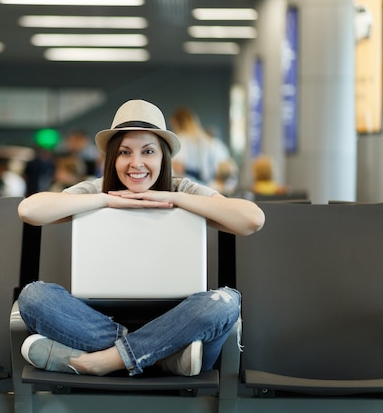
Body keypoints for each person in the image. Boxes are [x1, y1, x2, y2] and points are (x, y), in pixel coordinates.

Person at [17, 99, 265, 377]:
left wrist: (172, 197)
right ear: (113, 157)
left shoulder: (181, 188)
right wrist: (106, 201)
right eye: (125, 152)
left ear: (163, 156)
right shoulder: (98, 189)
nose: (136, 163)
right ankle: (162, 357)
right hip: (102, 321)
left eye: (148, 151)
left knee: (226, 301)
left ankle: (102, 361)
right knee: (33, 296)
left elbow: (252, 219)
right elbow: (29, 210)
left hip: (180, 318)